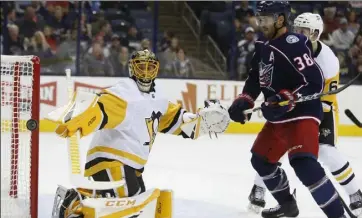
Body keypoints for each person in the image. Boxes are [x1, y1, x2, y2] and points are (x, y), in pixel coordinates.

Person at [47, 49, 230, 217]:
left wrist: (199, 122)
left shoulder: (157, 98)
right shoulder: (126, 92)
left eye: (150, 67)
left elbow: (173, 119)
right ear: (132, 69)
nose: (145, 72)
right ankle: (76, 209)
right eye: (141, 67)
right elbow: (102, 106)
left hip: (130, 165)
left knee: (134, 205)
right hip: (112, 159)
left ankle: (77, 202)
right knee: (128, 208)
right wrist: (81, 118)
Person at [228, 2, 347, 218]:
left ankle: (338, 215)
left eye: (264, 18)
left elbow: (315, 80)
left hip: (303, 113)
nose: (259, 22)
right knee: (260, 160)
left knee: (303, 163)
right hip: (278, 116)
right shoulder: (262, 43)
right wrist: (244, 100)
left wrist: (288, 97)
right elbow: (256, 76)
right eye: (259, 18)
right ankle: (288, 206)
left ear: (280, 20)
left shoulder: (295, 43)